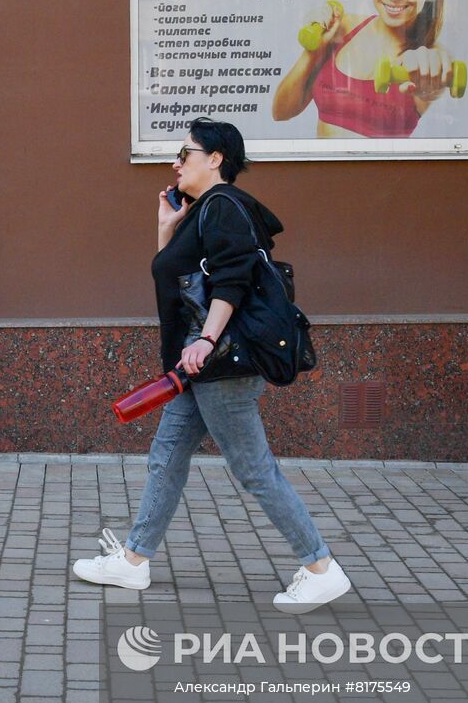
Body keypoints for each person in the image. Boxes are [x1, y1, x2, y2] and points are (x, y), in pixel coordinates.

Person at [72, 117, 352, 613]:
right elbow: (174, 280)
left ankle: (320, 567)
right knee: (167, 456)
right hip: (200, 366)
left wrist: (205, 338)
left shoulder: (223, 207)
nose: (175, 163)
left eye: (185, 153)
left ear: (215, 159)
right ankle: (134, 561)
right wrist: (166, 228)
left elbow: (234, 280)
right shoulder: (202, 214)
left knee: (253, 470)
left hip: (218, 365)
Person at [272, 0, 455, 138]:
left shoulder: (428, 57)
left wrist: (432, 82)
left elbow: (435, 76)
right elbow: (280, 112)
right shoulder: (344, 27)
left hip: (380, 174)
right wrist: (314, 51)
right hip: (321, 172)